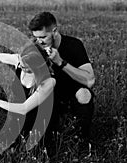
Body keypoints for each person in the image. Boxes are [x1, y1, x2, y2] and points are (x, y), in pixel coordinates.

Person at [0, 41, 59, 151]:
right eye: (20, 64)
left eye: (26, 68)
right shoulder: (23, 60)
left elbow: (24, 108)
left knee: (27, 150)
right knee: (1, 141)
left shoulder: (48, 81)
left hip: (37, 118)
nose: (21, 68)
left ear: (37, 66)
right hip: (16, 112)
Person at [28, 11, 95, 142]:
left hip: (71, 90)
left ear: (54, 31)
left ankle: (82, 140)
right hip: (48, 92)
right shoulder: (36, 47)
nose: (39, 41)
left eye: (43, 37)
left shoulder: (74, 45)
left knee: (84, 94)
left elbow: (90, 80)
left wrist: (60, 62)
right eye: (36, 37)